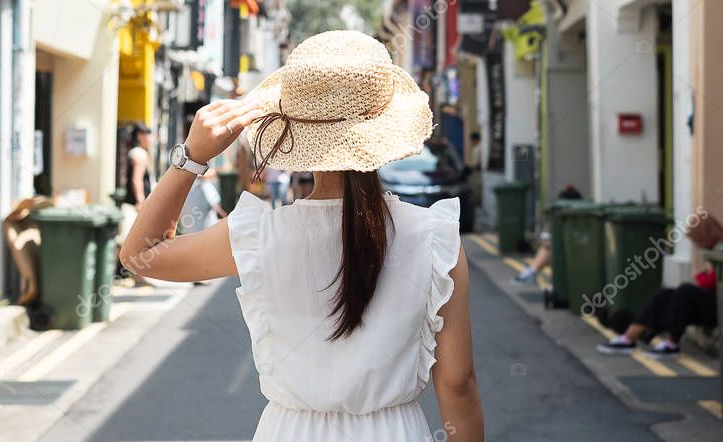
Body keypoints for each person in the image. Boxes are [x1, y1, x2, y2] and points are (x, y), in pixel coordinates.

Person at [120, 31, 484, 441]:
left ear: (292, 126)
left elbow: (139, 255)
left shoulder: (258, 235)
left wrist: (191, 158)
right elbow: (457, 384)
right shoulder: (435, 238)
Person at [597, 267, 718, 358]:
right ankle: (628, 338)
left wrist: (702, 275)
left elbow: (709, 281)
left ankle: (671, 344)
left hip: (721, 308)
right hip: (713, 302)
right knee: (664, 294)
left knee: (684, 291)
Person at [513, 184, 583, 285]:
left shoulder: (579, 218)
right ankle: (530, 273)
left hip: (574, 253)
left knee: (547, 249)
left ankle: (530, 273)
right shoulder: (561, 217)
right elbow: (546, 236)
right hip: (567, 251)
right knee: (546, 248)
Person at [124, 123, 153, 207]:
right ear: (139, 136)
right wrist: (140, 201)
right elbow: (137, 178)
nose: (150, 139)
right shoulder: (139, 153)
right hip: (137, 205)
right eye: (148, 134)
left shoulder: (137, 152)